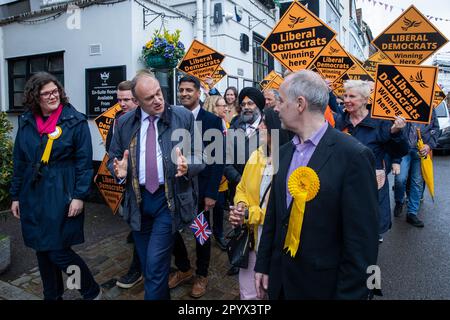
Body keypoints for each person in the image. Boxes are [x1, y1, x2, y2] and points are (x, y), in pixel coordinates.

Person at [254, 70, 379, 300]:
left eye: (280, 101)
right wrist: (263, 265)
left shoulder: (353, 156)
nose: (275, 108)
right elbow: (274, 214)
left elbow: (362, 246)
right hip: (281, 283)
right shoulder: (283, 151)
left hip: (323, 288)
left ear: (300, 103)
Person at [107, 72, 204, 300]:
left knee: (155, 265)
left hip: (167, 202)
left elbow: (200, 155)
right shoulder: (123, 123)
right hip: (138, 203)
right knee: (151, 268)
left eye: (159, 93)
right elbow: (113, 157)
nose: (158, 100)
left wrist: (187, 164)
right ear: (137, 101)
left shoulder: (183, 117)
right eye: (150, 98)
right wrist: (118, 172)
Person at [10, 72, 101, 300]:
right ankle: (52, 295)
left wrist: (80, 195)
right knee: (42, 250)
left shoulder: (75, 120)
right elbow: (20, 160)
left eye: (55, 91)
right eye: (46, 93)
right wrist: (15, 195)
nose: (53, 96)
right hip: (33, 193)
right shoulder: (26, 121)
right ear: (35, 97)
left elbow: (84, 163)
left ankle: (90, 291)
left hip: (62, 191)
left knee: (58, 251)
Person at [169, 76, 224, 298]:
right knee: (171, 229)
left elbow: (217, 159)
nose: (184, 94)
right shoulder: (172, 116)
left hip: (201, 189)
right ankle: (184, 268)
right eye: (181, 90)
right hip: (175, 187)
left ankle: (201, 274)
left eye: (189, 90)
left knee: (201, 232)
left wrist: (211, 193)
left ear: (198, 93)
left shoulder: (211, 120)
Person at [334, 80, 408, 242]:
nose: (346, 99)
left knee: (369, 227)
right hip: (345, 178)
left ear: (365, 100)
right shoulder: (340, 120)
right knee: (345, 225)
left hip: (372, 180)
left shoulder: (380, 121)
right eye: (345, 95)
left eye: (352, 96)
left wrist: (395, 132)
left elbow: (401, 150)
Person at [229, 109, 276, 300]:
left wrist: (249, 214)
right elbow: (242, 188)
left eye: (264, 124)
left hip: (272, 243)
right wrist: (240, 206)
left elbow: (278, 210)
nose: (259, 127)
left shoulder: (288, 161)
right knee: (248, 294)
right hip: (251, 239)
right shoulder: (257, 154)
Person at [103, 81, 143, 290]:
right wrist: (117, 169)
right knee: (139, 229)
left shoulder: (152, 120)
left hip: (154, 188)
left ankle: (139, 270)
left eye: (127, 99)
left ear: (137, 99)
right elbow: (112, 155)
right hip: (130, 188)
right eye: (119, 100)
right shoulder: (117, 122)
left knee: (158, 231)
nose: (122, 104)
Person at [224, 87, 265, 276]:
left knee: (260, 224)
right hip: (238, 188)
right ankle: (239, 257)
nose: (246, 107)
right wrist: (242, 181)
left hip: (263, 191)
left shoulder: (269, 128)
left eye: (250, 103)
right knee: (239, 224)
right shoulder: (234, 126)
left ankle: (262, 259)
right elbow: (225, 161)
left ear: (259, 105)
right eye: (243, 104)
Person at [393, 110, 439, 227]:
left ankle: (412, 213)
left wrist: (429, 145)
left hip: (420, 150)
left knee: (417, 182)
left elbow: (435, 129)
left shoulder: (429, 107)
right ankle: (399, 201)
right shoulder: (404, 103)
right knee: (400, 179)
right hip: (404, 149)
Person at [203, 95, 230, 250]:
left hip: (223, 176)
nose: (225, 108)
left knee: (219, 207)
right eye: (222, 105)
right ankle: (204, 238)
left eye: (226, 105)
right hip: (209, 175)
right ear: (213, 107)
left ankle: (219, 234)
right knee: (205, 210)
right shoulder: (207, 125)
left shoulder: (225, 124)